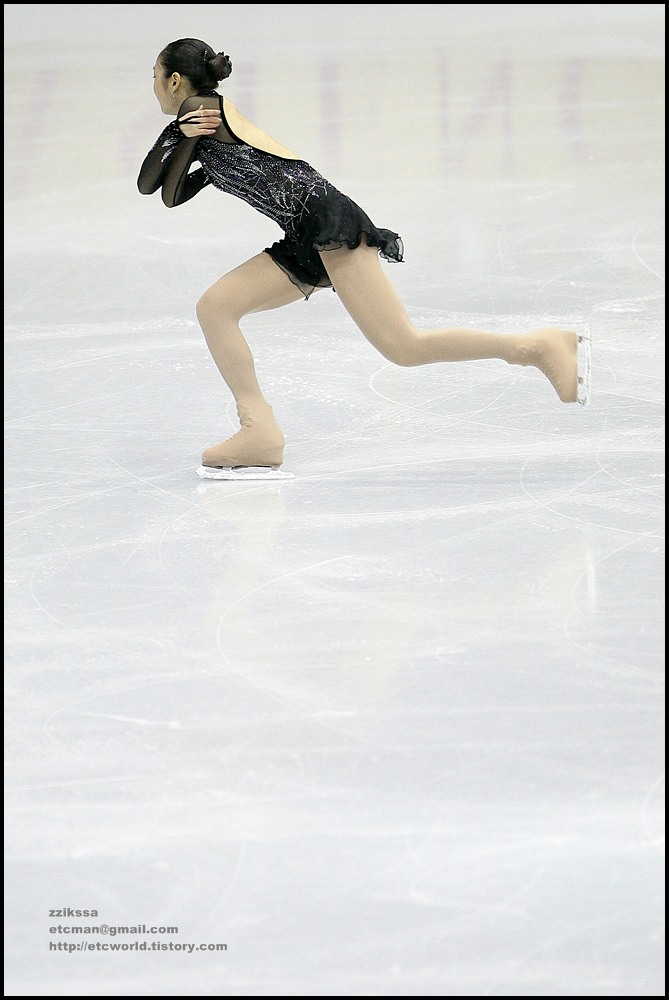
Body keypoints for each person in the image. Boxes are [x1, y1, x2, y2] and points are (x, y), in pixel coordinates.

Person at [138, 37, 591, 480]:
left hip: (327, 222)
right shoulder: (195, 122)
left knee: (404, 347)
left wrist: (178, 138)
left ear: (175, 81)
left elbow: (150, 183)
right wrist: (180, 141)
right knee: (216, 307)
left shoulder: (202, 114)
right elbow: (168, 192)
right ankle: (259, 431)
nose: (153, 86)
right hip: (302, 234)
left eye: (155, 77)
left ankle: (536, 347)